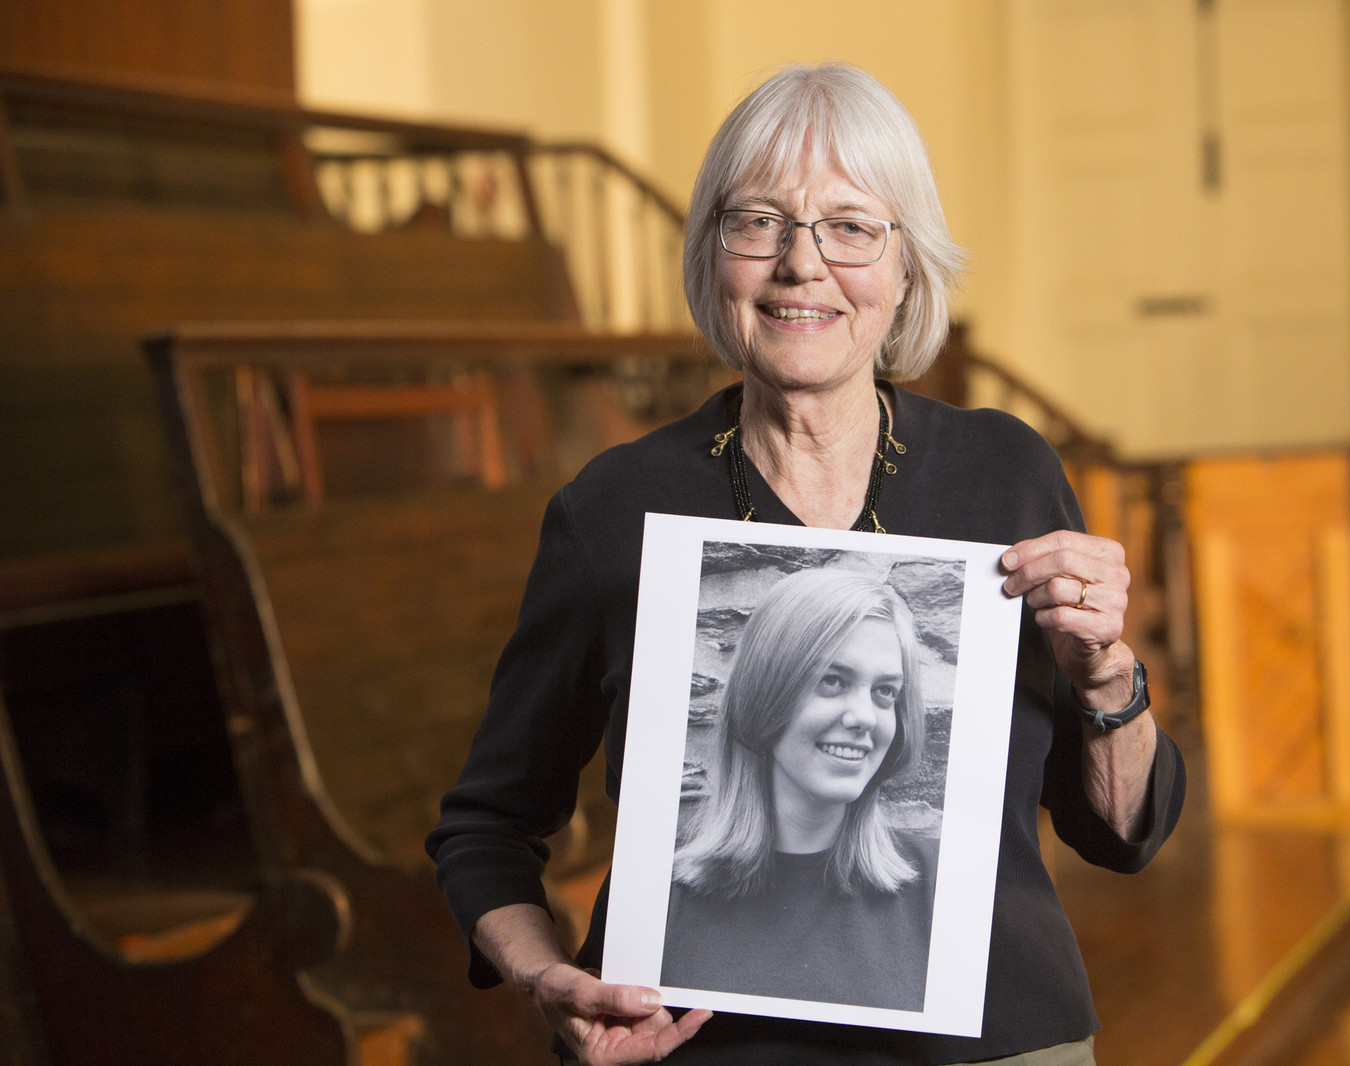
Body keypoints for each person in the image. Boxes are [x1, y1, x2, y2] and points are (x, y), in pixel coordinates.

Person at [426, 62, 1185, 1066]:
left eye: (851, 226)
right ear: (713, 258)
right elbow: (488, 823)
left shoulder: (1004, 474)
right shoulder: (613, 508)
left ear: (907, 265)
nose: (801, 264)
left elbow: (1120, 835)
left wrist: (1107, 678)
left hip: (990, 1041)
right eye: (758, 223)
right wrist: (543, 976)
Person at [662, 567, 940, 1012]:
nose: (865, 717)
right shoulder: (657, 891)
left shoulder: (940, 885)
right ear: (766, 693)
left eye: (885, 691)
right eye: (832, 681)